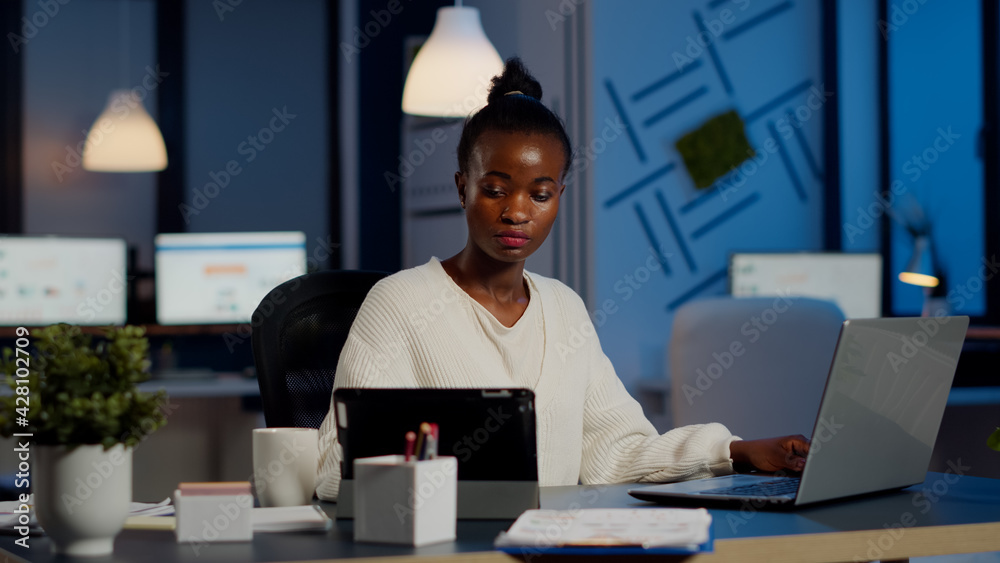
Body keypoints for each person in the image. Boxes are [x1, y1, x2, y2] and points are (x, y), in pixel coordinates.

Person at [315, 57, 808, 501]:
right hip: (449, 551)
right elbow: (335, 469)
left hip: (554, 546)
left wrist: (735, 451)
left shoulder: (564, 308)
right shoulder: (399, 303)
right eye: (495, 190)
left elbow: (615, 452)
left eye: (540, 194)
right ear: (463, 189)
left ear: (559, 197)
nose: (517, 212)